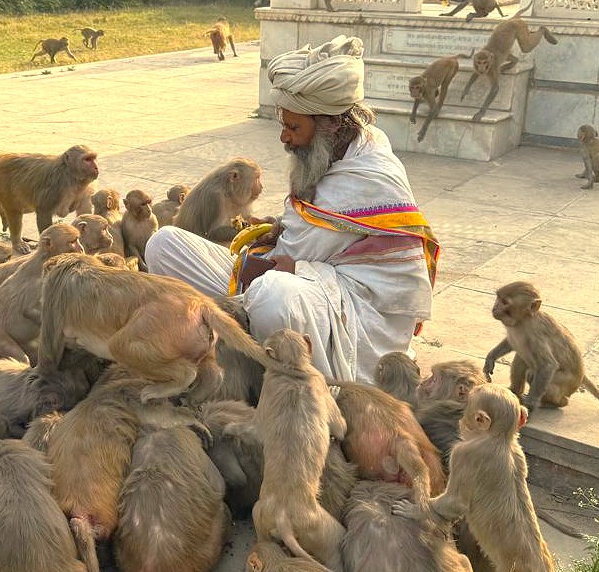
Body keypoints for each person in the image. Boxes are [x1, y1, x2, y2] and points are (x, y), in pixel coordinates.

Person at [145, 35, 439, 383]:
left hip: (356, 316)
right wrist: (278, 246)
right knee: (164, 243)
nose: (285, 138)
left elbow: (290, 260)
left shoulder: (364, 176)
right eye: (284, 125)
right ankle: (236, 342)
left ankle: (281, 376)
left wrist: (290, 265)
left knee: (272, 295)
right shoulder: (337, 147)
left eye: (294, 127)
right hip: (307, 281)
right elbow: (287, 252)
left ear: (331, 124)